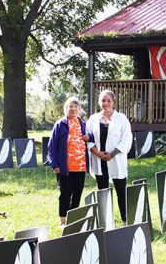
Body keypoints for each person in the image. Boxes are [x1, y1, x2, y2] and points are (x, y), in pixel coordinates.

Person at [86, 90, 133, 222]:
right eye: (103, 101)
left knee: (121, 191)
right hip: (99, 160)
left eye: (108, 101)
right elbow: (88, 138)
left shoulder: (121, 119)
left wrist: (112, 154)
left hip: (116, 160)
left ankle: (125, 218)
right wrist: (97, 153)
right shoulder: (93, 119)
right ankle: (106, 220)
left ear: (113, 102)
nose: (106, 103)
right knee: (103, 191)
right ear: (99, 102)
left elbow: (126, 140)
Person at [47, 97, 90, 226]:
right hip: (65, 167)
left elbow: (90, 137)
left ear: (79, 109)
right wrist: (54, 163)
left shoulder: (83, 124)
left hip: (80, 167)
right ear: (66, 109)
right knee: (65, 194)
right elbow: (51, 146)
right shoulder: (60, 124)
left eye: (76, 106)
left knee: (78, 192)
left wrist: (89, 137)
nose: (73, 108)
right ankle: (63, 220)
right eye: (70, 106)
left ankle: (73, 218)